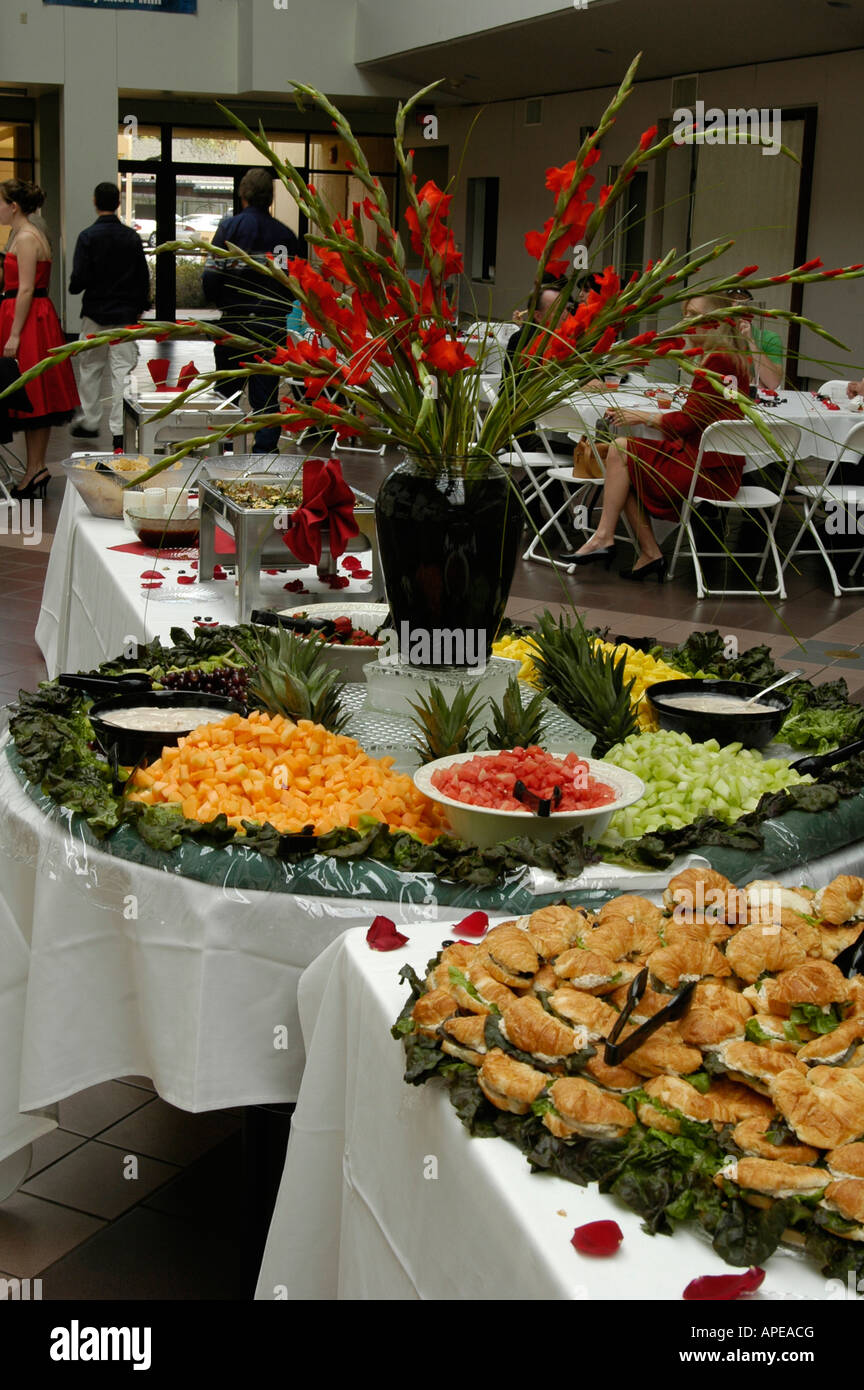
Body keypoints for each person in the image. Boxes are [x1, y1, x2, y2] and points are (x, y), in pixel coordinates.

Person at [559, 294, 748, 579]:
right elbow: (712, 409)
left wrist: (641, 416)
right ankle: (647, 553)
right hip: (716, 465)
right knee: (621, 469)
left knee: (620, 452)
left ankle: (604, 538)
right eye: (684, 313)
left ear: (713, 324)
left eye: (692, 314)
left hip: (706, 471)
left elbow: (686, 423)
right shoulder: (731, 358)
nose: (684, 321)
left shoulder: (718, 361)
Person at [203, 168, 302, 452]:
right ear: (270, 198)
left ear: (242, 194)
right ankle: (263, 457)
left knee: (226, 393)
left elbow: (211, 276)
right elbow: (292, 283)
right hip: (270, 326)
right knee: (267, 397)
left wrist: (222, 301)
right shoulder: (285, 235)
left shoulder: (228, 229)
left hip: (234, 322)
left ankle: (222, 450)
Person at [0, 178, 78, 498]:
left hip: (29, 318)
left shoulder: (28, 237)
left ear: (14, 206)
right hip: (33, 315)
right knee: (37, 397)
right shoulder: (26, 233)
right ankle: (35, 468)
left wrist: (15, 334)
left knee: (33, 394)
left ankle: (36, 468)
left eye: (1, 202)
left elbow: (27, 288)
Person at [68, 181, 151, 450]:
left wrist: (76, 285)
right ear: (118, 202)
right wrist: (138, 307)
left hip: (95, 314)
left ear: (95, 201)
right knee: (121, 373)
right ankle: (119, 430)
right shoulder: (131, 237)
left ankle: (91, 420)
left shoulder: (87, 237)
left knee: (90, 368)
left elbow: (79, 280)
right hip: (125, 316)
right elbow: (142, 277)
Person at [724, 285, 784, 390]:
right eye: (730, 306)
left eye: (742, 304)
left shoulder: (769, 338)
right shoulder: (714, 336)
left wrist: (751, 341)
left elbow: (773, 383)